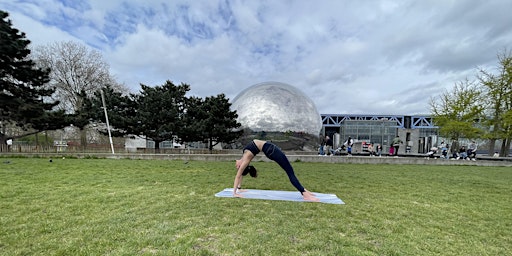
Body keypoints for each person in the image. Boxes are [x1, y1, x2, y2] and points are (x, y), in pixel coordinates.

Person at [233, 139, 319, 201]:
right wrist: (235, 193)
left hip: (271, 149)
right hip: (271, 150)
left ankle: (303, 190)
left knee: (290, 171)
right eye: (238, 168)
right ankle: (304, 193)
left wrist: (239, 188)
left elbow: (240, 175)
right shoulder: (245, 160)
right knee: (290, 171)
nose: (236, 166)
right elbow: (238, 176)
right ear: (242, 167)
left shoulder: (244, 155)